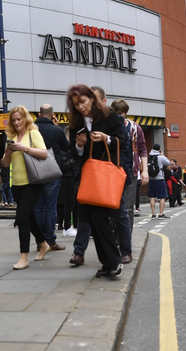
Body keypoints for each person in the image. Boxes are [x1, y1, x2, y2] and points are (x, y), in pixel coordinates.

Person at [66, 84, 128, 278]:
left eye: (83, 102)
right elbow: (73, 155)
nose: (80, 107)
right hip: (88, 179)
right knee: (91, 220)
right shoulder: (77, 123)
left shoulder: (110, 116)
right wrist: (78, 146)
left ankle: (115, 262)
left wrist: (106, 138)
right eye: (76, 105)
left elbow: (123, 141)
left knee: (100, 219)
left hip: (105, 177)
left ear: (92, 99)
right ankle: (108, 264)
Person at [1, 105, 51, 269]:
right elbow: (5, 163)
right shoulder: (11, 136)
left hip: (33, 182)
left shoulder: (33, 133)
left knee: (21, 218)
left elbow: (44, 153)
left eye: (18, 119)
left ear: (25, 118)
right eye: (13, 120)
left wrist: (25, 149)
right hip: (16, 184)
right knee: (29, 217)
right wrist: (8, 152)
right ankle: (43, 243)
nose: (16, 122)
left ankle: (24, 257)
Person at [110, 99, 148, 264]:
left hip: (130, 171)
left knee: (128, 208)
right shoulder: (108, 127)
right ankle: (116, 237)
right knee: (112, 206)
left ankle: (126, 239)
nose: (119, 116)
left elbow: (142, 149)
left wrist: (145, 170)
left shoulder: (135, 128)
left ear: (125, 113)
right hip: (111, 172)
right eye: (116, 113)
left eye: (121, 113)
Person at [33, 104, 70, 252]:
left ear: (39, 114)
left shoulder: (32, 130)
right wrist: (57, 127)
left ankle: (40, 242)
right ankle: (50, 241)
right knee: (50, 207)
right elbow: (66, 148)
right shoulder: (57, 130)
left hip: (35, 172)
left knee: (38, 207)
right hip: (52, 171)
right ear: (52, 114)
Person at [147, 144, 171, 219]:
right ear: (159, 149)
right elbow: (168, 163)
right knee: (162, 197)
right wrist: (162, 154)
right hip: (160, 179)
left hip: (151, 179)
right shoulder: (160, 157)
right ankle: (161, 214)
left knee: (152, 197)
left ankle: (153, 214)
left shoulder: (149, 157)